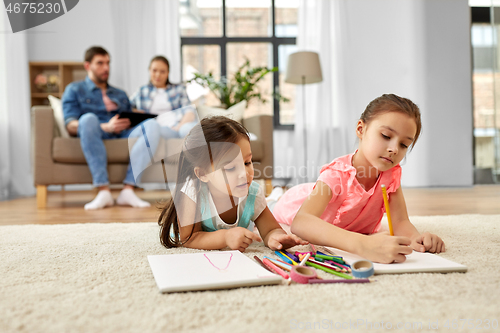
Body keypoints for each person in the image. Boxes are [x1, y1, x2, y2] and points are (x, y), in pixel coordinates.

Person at [273, 94, 445, 264]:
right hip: (292, 202)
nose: (394, 149)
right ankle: (275, 194)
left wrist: (417, 239)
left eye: (404, 145)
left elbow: (400, 221)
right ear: (361, 129)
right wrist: (362, 244)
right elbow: (301, 222)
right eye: (386, 136)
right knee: (271, 204)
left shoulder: (391, 175)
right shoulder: (336, 174)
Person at [158, 116, 307, 252]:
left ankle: (275, 197)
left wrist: (275, 237)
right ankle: (275, 197)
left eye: (247, 162)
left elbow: (269, 230)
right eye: (230, 168)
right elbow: (189, 238)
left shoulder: (252, 192)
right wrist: (226, 237)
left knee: (272, 205)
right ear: (203, 174)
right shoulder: (191, 192)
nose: (244, 173)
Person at [62, 46, 151, 210]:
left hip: (123, 133)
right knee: (87, 119)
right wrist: (106, 126)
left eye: (108, 63)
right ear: (87, 66)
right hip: (96, 133)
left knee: (151, 126)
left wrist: (140, 116)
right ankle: (103, 191)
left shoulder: (120, 93)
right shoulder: (74, 90)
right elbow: (71, 125)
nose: (106, 68)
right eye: (100, 63)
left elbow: (131, 115)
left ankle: (128, 190)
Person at [129, 56, 197, 139]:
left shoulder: (179, 89)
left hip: (177, 126)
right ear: (149, 70)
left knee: (188, 130)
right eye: (154, 70)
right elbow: (126, 107)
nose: (158, 75)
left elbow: (189, 112)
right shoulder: (141, 91)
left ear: (168, 73)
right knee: (152, 128)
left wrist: (178, 127)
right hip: (155, 128)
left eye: (162, 71)